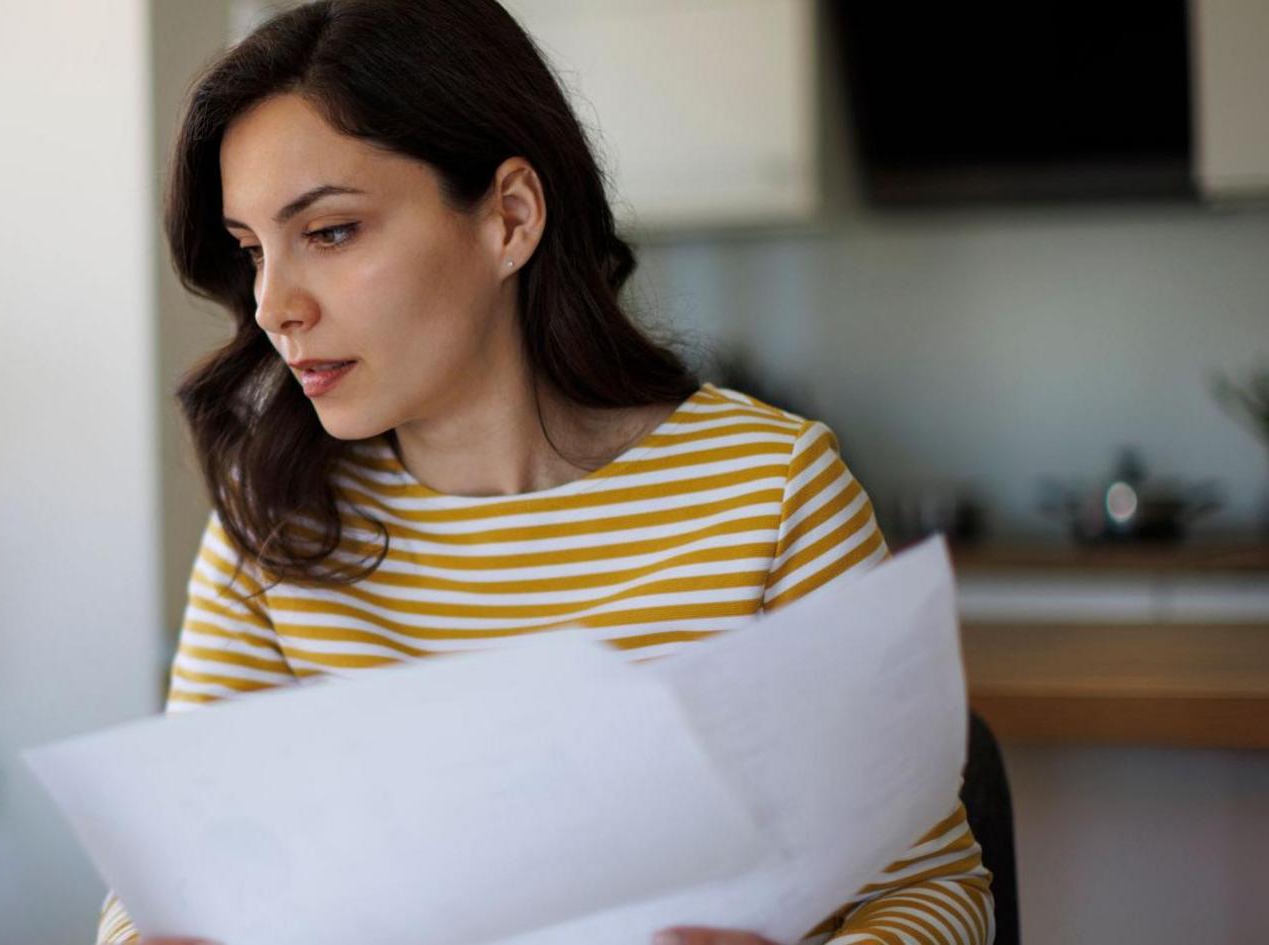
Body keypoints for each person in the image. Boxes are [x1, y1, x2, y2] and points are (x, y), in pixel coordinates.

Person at [99, 1, 994, 943]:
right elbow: (156, 896)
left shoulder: (772, 491)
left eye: (329, 233)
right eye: (251, 251)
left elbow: (935, 889)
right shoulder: (273, 523)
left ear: (509, 218)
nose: (275, 305)